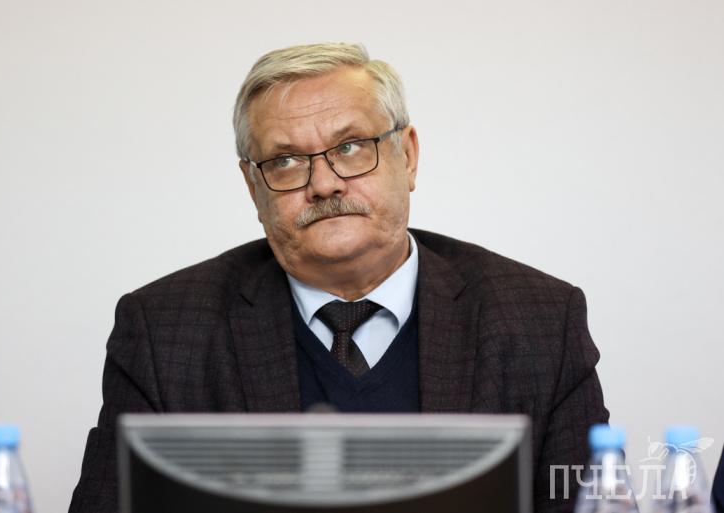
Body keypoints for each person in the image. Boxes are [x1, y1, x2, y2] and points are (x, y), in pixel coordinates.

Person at [69, 42, 608, 513]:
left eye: (350, 147)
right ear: (253, 187)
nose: (324, 184)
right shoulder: (164, 331)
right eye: (285, 161)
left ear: (408, 156)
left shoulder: (539, 320)